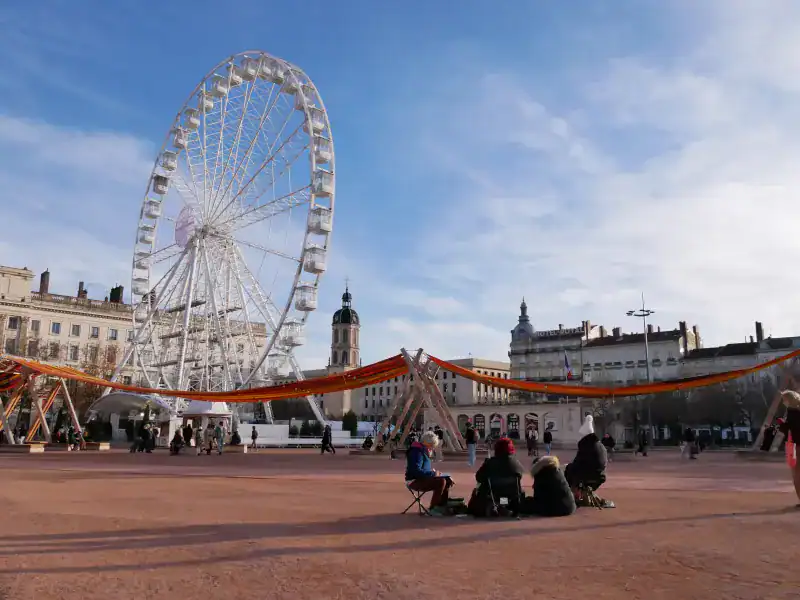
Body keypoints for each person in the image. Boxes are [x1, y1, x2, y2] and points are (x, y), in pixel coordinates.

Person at [468, 437, 525, 517]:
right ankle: (508, 507)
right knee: (520, 491)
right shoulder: (515, 463)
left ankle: (485, 508)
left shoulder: (490, 462)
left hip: (493, 495)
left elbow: (479, 477)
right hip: (511, 495)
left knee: (480, 489)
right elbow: (520, 475)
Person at [564, 415, 611, 507]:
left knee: (568, 471)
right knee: (573, 470)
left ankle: (572, 495)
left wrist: (568, 467)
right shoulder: (599, 445)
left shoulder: (586, 446)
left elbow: (578, 463)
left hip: (588, 474)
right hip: (600, 475)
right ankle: (579, 493)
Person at [405, 431, 453, 515]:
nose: (432, 448)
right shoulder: (417, 452)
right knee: (440, 481)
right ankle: (433, 508)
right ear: (427, 443)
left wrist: (433, 472)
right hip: (414, 480)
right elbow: (416, 471)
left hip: (422, 478)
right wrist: (433, 474)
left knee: (447, 479)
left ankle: (441, 505)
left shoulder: (422, 451)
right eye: (432, 446)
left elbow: (423, 469)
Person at [777, 390, 800, 507]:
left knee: (796, 473)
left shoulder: (791, 412)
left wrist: (781, 424)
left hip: (797, 444)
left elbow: (790, 429)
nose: (783, 402)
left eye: (784, 399)